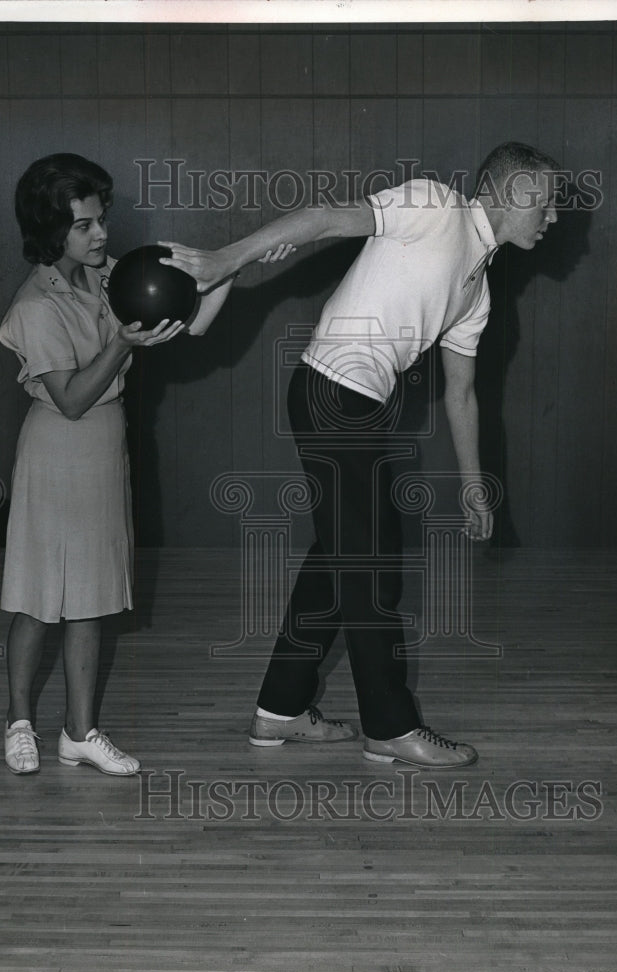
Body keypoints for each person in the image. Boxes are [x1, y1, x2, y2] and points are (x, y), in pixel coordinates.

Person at [162, 141, 560, 769]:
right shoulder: (435, 204)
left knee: (340, 557)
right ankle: (390, 727)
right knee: (372, 565)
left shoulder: (476, 289)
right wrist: (223, 260)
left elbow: (461, 394)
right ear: (516, 196)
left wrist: (473, 483)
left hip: (361, 406)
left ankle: (280, 710)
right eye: (548, 204)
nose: (554, 218)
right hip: (330, 392)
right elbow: (324, 217)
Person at [0, 153, 241, 776]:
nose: (101, 233)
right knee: (38, 602)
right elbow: (73, 398)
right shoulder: (34, 306)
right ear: (53, 231)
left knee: (90, 601)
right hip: (56, 450)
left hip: (107, 448)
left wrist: (228, 273)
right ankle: (18, 721)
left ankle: (79, 732)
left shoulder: (106, 277)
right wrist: (122, 342)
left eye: (100, 219)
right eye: (84, 226)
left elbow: (189, 325)